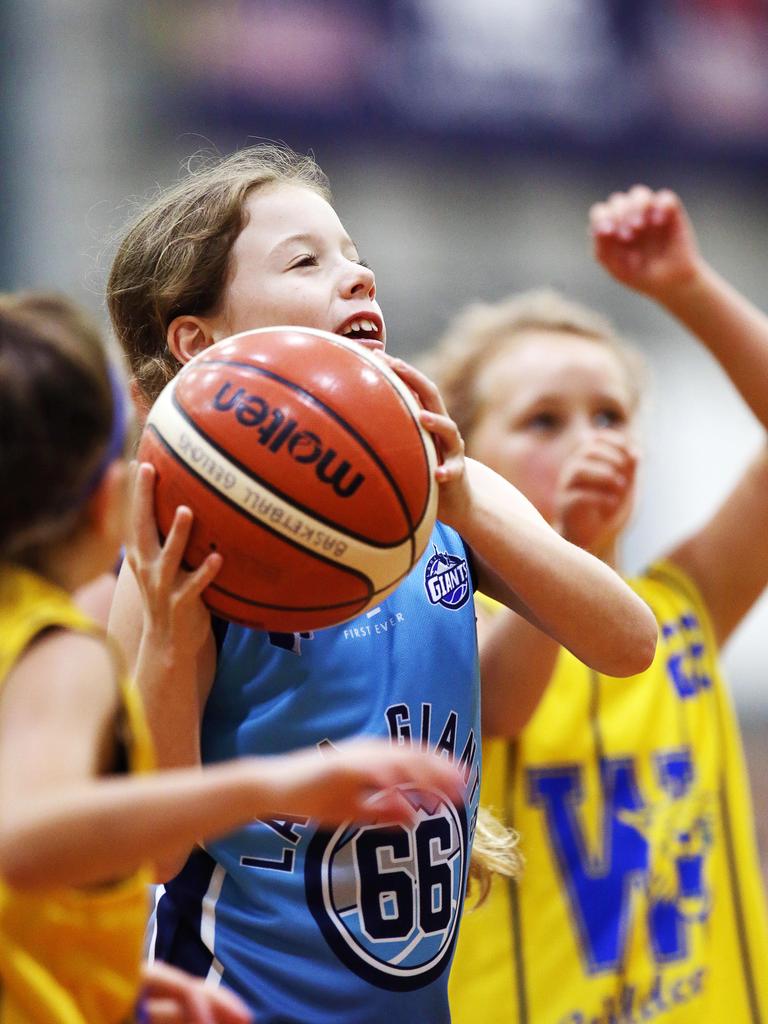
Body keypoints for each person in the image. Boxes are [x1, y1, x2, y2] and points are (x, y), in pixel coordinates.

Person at [105, 145, 657, 1024]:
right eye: (306, 261)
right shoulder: (182, 542)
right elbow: (156, 852)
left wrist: (468, 496)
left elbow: (628, 642)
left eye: (355, 253)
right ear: (201, 341)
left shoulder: (440, 486)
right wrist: (171, 644)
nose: (357, 275)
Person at [0, 296, 470, 1024]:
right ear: (107, 499)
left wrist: (105, 971)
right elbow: (26, 841)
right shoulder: (53, 650)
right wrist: (270, 783)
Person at [437, 186, 768, 1023]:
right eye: (543, 420)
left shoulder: (684, 604)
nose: (587, 438)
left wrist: (687, 287)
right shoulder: (435, 627)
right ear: (464, 461)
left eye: (610, 414)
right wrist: (564, 544)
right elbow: (502, 704)